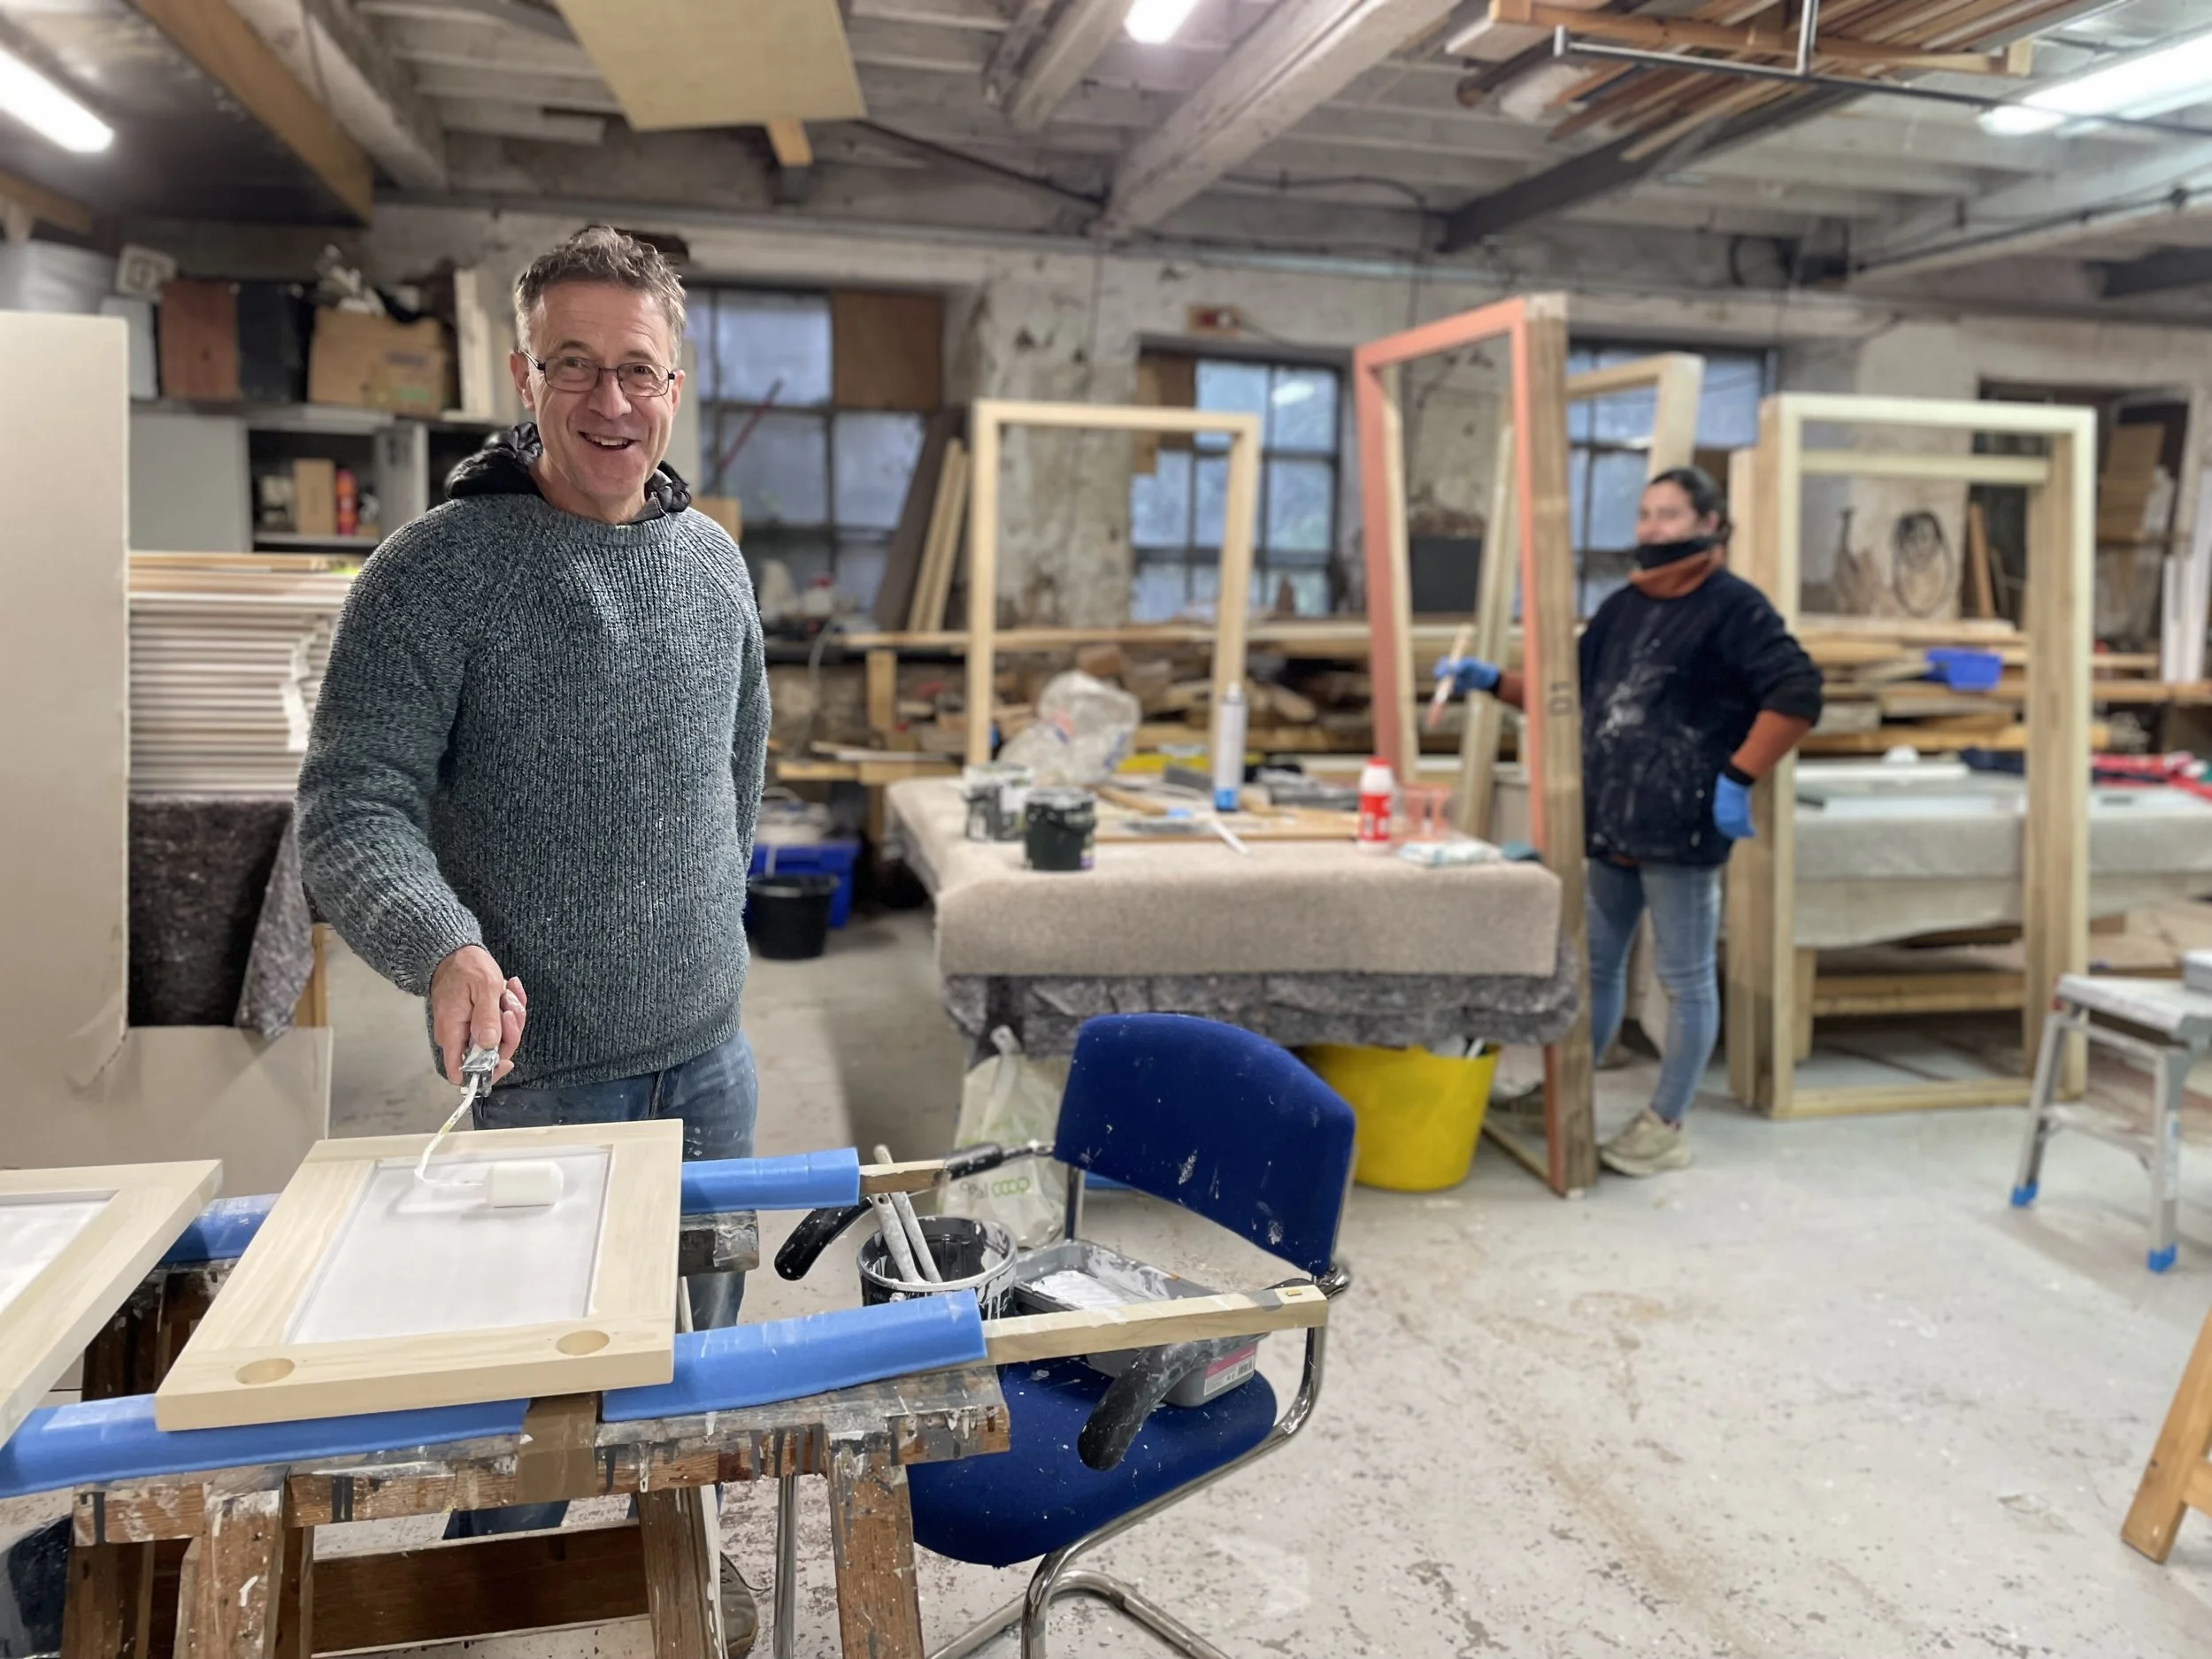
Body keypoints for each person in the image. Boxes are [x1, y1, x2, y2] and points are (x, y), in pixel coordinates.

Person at [297, 226, 770, 1629]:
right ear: (525, 376)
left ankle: (673, 1563)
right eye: (575, 365)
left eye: (638, 369)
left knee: (693, 1382)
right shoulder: (433, 572)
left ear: (675, 382)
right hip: (542, 1079)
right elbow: (351, 806)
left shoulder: (715, 566)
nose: (610, 402)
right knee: (534, 1429)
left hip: (711, 1061)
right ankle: (479, 1604)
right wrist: (442, 939)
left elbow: (738, 774)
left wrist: (703, 927)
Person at [1434, 465, 1821, 1177]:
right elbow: (1568, 691)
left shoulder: (1735, 608)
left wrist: (1738, 778)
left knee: (1684, 977)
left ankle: (1666, 1122)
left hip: (1682, 823)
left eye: (1668, 514)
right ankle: (1568, 1092)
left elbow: (1797, 693)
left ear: (1709, 523)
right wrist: (1492, 683)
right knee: (1597, 966)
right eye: (1645, 513)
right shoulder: (1623, 607)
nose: (1651, 528)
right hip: (1613, 821)